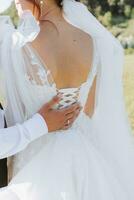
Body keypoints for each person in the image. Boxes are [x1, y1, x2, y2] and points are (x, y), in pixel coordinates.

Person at [0, 0, 134, 199]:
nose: (16, 3)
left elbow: (15, 115)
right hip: (86, 157)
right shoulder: (92, 40)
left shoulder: (20, 46)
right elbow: (89, 110)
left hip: (39, 162)